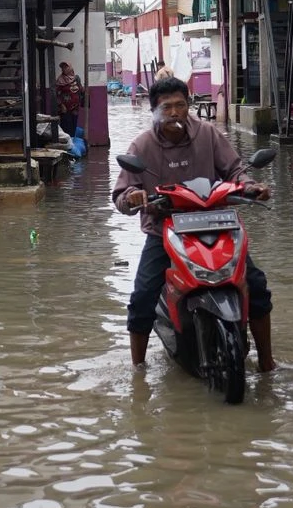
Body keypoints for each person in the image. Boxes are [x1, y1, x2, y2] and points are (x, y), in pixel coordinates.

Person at [111, 76, 277, 371]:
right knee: (142, 297)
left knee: (256, 286)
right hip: (165, 229)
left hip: (216, 221)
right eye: (166, 107)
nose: (174, 112)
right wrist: (133, 197)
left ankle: (267, 362)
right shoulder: (141, 146)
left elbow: (235, 170)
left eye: (180, 105)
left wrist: (250, 186)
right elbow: (122, 195)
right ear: (154, 111)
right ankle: (138, 369)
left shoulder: (208, 134)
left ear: (189, 106)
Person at [56, 61, 83, 137]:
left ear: (70, 68)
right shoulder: (60, 80)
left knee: (73, 124)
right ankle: (66, 142)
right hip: (65, 108)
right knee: (66, 125)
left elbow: (80, 89)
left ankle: (72, 140)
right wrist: (61, 105)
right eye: (63, 67)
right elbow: (56, 94)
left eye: (66, 67)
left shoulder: (76, 78)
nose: (64, 69)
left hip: (75, 108)